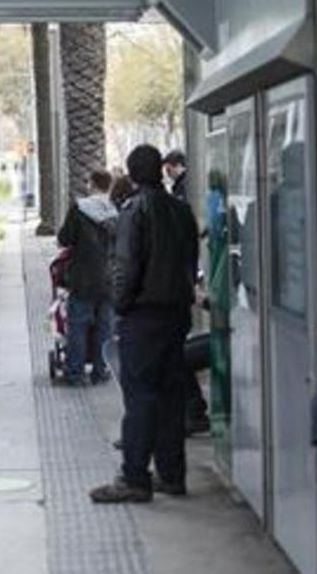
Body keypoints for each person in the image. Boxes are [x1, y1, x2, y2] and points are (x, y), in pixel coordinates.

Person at [91, 145, 199, 503]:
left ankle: (134, 477)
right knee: (171, 395)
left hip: (143, 315)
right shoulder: (182, 211)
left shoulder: (133, 212)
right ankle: (172, 474)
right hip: (176, 314)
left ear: (133, 175)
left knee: (140, 396)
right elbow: (190, 261)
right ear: (161, 170)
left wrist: (120, 306)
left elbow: (125, 266)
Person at [161, 148, 212, 436]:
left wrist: (202, 300)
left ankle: (193, 413)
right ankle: (192, 412)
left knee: (176, 357)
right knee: (177, 354)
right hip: (225, 329)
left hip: (233, 335)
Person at [57, 170, 117, 386]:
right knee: (106, 328)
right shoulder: (117, 209)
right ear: (110, 186)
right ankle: (100, 372)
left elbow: (65, 239)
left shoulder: (79, 208)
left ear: (91, 184)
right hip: (110, 280)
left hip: (82, 278)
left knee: (78, 327)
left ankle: (75, 373)